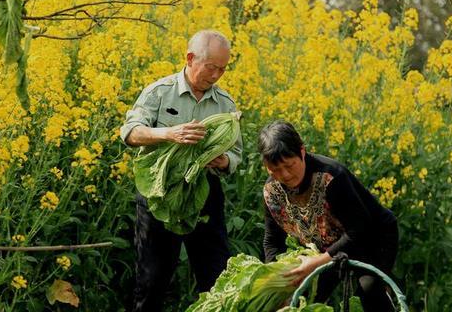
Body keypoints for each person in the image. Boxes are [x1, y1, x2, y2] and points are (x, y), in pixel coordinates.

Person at [120, 30, 243, 312]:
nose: (216, 75)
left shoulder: (226, 103)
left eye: (222, 69)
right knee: (152, 279)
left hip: (205, 194)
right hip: (159, 192)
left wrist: (222, 161)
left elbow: (236, 155)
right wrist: (168, 134)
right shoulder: (159, 92)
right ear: (190, 58)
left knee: (216, 276)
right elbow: (130, 133)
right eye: (211, 67)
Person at [258, 120, 398, 311]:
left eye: (289, 166)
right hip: (323, 246)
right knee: (304, 299)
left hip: (371, 238)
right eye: (275, 170)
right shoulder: (271, 191)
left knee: (370, 293)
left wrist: (319, 261)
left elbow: (359, 229)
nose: (285, 175)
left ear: (302, 151)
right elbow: (272, 240)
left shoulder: (331, 177)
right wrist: (278, 282)